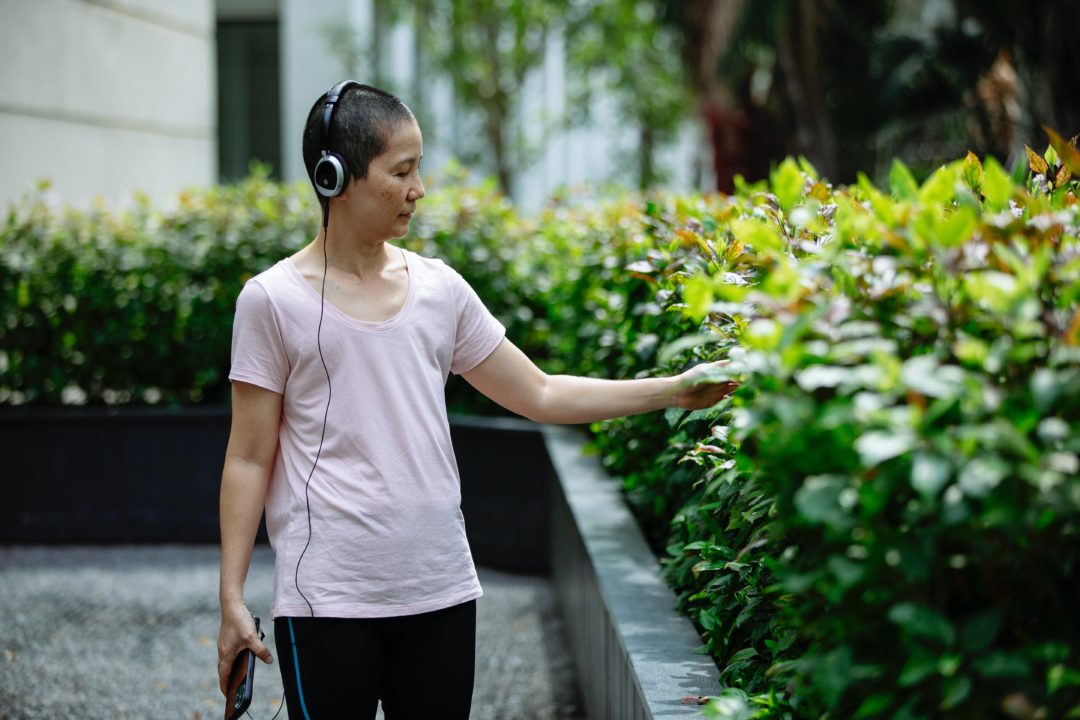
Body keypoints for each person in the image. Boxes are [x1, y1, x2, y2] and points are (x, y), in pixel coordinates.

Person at [216, 81, 735, 720]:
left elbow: (539, 391)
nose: (419, 189)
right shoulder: (271, 301)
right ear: (335, 178)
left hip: (440, 588)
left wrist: (673, 392)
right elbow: (247, 455)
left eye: (419, 169)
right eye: (401, 171)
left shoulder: (440, 289)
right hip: (327, 597)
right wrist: (232, 598)